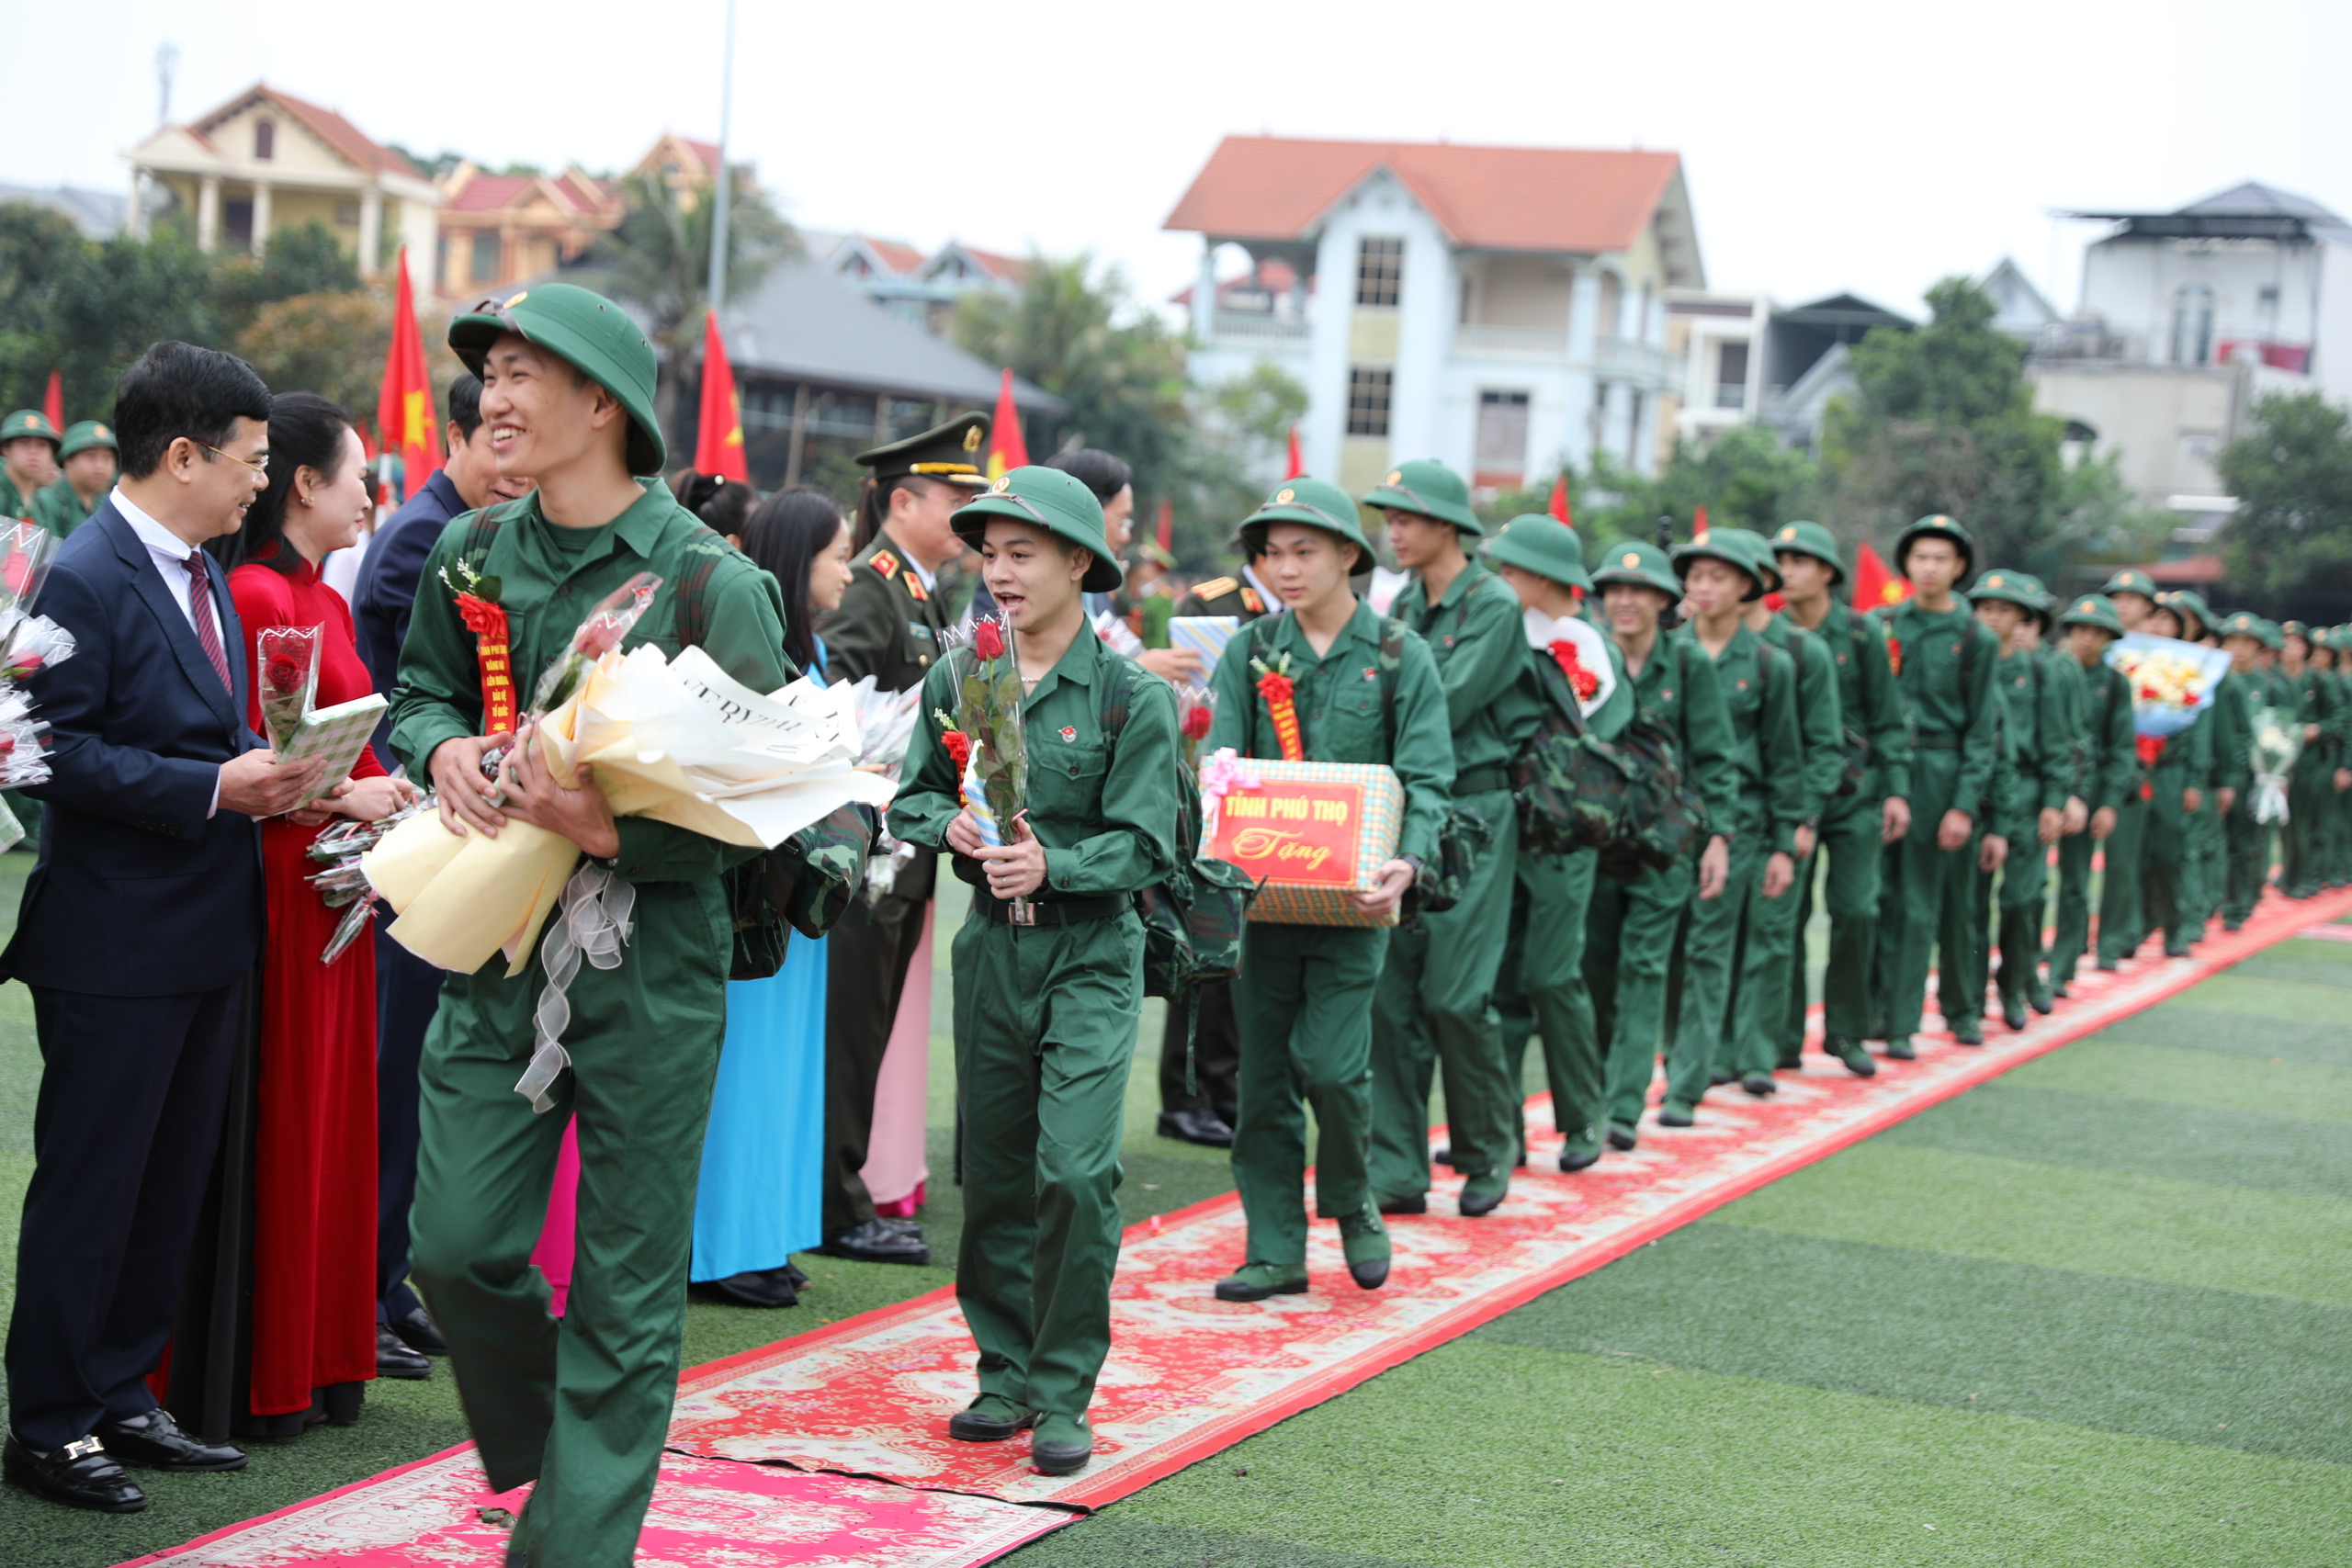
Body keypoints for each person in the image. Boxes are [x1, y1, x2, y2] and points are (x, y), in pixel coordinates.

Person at [390, 283, 793, 1568]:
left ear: (602, 401)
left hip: (652, 965)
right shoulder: (472, 554)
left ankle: (569, 1543)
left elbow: (770, 796)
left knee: (626, 1292)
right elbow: (418, 691)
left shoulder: (709, 580)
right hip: (495, 937)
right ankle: (564, 1442)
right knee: (452, 1246)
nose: (492, 400)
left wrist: (623, 829)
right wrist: (442, 741)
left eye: (519, 374)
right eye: (487, 375)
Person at [2, 342, 332, 1514]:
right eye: (249, 461)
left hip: (206, 927)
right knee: (94, 1184)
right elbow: (52, 753)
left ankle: (124, 1392)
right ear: (182, 454)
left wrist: (284, 774)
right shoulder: (86, 573)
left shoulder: (200, 567)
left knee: (168, 1180)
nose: (262, 481)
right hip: (115, 939)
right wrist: (210, 791)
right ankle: (47, 1422)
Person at [891, 464, 1179, 1476]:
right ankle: (1002, 1369)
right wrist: (953, 827)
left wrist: (1058, 860)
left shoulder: (1130, 697)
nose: (1000, 574)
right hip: (993, 955)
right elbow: (910, 800)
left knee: (1074, 1171)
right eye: (990, 555)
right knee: (999, 1173)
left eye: (1022, 555)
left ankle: (1062, 1390)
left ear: (1076, 563)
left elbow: (1151, 846)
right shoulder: (962, 680)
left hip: (1093, 955)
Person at [194, 393, 420, 1433]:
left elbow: (351, 740)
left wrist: (393, 794)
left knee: (337, 1112)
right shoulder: (248, 593)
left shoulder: (323, 602)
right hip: (285, 886)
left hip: (342, 883)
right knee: (291, 1113)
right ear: (303, 485)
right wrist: (352, 795)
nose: (371, 495)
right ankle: (270, 1365)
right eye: (358, 477)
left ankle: (326, 1355)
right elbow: (255, 758)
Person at [1204, 477, 1453, 1303]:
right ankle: (1274, 1247)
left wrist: (1407, 864)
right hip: (1264, 906)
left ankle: (1352, 1199)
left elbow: (1427, 777)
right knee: (1265, 1075)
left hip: (1355, 910)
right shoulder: (1249, 653)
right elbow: (1225, 772)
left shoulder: (1397, 655)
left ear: (1350, 554)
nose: (1285, 567)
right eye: (1272, 552)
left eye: (1304, 550)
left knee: (1336, 1069)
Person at [352, 371, 528, 1377]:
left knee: (417, 1077)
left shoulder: (470, 532)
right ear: (456, 438)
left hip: (454, 838)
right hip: (415, 836)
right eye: (496, 441)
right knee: (397, 1073)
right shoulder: (428, 540)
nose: (512, 465)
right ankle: (370, 1288)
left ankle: (389, 1278)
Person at [815, 412, 988, 1265]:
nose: (967, 515)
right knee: (850, 1033)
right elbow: (834, 703)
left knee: (870, 1030)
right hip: (866, 849)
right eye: (956, 497)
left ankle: (845, 1195)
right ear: (904, 499)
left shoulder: (918, 587)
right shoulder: (874, 583)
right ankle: (837, 1206)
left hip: (903, 851)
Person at [690, 488, 854, 1307]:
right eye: (838, 554)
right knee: (744, 1068)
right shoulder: (753, 644)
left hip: (803, 880)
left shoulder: (813, 648)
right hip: (759, 886)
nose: (850, 570)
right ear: (799, 560)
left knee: (789, 1071)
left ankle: (766, 1232)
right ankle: (719, 1245)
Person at [1363, 459, 1532, 1217]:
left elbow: (1442, 701)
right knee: (1391, 993)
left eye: (1405, 518)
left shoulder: (1494, 603)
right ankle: (1398, 1166)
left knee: (1458, 995)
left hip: (1476, 810)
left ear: (1447, 525)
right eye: (1388, 518)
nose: (1392, 532)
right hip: (1405, 806)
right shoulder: (1405, 598)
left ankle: (1486, 1148)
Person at [1483, 515, 1632, 1169]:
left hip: (1563, 832)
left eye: (1509, 569)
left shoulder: (1583, 645)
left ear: (1540, 576)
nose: (1498, 579)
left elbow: (1591, 728)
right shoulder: (1501, 628)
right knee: (1502, 983)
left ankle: (1583, 1115)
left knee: (1551, 974)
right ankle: (1503, 1125)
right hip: (1502, 825)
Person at [1585, 541, 1736, 1147]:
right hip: (1594, 840)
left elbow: (1717, 758)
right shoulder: (1586, 656)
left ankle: (1623, 1108)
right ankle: (1589, 1091)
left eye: (1639, 590)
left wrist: (1717, 835)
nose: (1625, 601)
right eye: (1615, 590)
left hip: (1665, 843)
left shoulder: (1689, 663)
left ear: (1662, 601)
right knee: (1593, 970)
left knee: (1645, 966)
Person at [1657, 530, 1803, 1115]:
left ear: (1748, 587)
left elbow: (1785, 758)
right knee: (1665, 950)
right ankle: (1677, 1055)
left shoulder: (1771, 663)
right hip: (1666, 821)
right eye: (1695, 576)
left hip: (1739, 821)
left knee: (1710, 948)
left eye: (1718, 577)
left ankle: (1686, 1084)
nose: (1704, 588)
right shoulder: (1666, 649)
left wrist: (1786, 843)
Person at [1150, 539, 1279, 1149]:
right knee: (1204, 941)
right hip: (1211, 789)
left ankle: (1226, 1087)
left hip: (1273, 798)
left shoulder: (1307, 611)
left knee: (1243, 954)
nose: (1292, 565)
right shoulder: (1216, 606)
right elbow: (1183, 699)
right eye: (1281, 551)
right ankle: (1187, 1094)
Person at [1769, 522, 1907, 1077]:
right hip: (1792, 791)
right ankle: (1781, 1035)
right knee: (1786, 914)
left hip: (1855, 795)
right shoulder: (1770, 632)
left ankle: (1847, 1029)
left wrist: (1897, 789)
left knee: (1855, 908)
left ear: (1828, 571)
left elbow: (1888, 717)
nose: (1788, 570)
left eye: (1801, 561)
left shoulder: (1859, 632)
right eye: (1782, 560)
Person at [1870, 516, 2001, 1057]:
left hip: (1941, 773)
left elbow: (1982, 729)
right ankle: (1872, 1011)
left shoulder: (1975, 636)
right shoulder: (1882, 625)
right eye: (1920, 557)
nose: (1929, 567)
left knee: (1926, 902)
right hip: (1882, 770)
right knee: (1875, 896)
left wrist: (1965, 805)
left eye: (1941, 559)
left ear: (1960, 568)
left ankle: (1904, 1022)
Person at [1721, 528, 1841, 1089]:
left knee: (1770, 933)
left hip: (1775, 811)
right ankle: (1708, 1051)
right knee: (1711, 936)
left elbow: (1820, 745)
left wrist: (1800, 818)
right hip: (1713, 816)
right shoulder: (1690, 645)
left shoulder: (1801, 651)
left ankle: (1755, 1055)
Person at [1964, 571, 2065, 1032]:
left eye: (2004, 610)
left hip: (2026, 795)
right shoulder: (1966, 663)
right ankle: (1969, 997)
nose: (1994, 618)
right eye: (1985, 608)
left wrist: (2054, 800)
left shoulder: (2041, 671)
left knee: (2022, 899)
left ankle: (2014, 982)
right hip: (1973, 793)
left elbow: (2056, 743)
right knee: (1968, 905)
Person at [2049, 595, 2133, 991]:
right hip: (2050, 779)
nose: (2087, 639)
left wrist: (2110, 803)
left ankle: (2063, 966)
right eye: (2081, 630)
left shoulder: (2115, 684)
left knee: (2075, 883)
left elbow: (2121, 748)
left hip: (2092, 786)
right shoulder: (2052, 671)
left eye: (2096, 632)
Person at [2216, 611, 2281, 930]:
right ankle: (2211, 900)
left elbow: (2281, 730)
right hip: (2216, 773)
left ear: (2258, 647)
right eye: (2232, 640)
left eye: (2246, 642)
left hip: (2253, 774)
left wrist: (2276, 773)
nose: (2238, 648)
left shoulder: (2269, 684)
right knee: (2212, 843)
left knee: (2244, 843)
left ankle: (2238, 904)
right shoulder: (2214, 679)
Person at [33, 421, 118, 540]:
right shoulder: (46, 502)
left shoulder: (109, 505)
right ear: (68, 461)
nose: (100, 465)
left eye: (107, 458)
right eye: (91, 456)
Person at [0, 408, 62, 522]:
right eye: (24, 443)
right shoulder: (3, 494)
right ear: (6, 449)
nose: (34, 451)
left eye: (42, 445)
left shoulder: (41, 504)